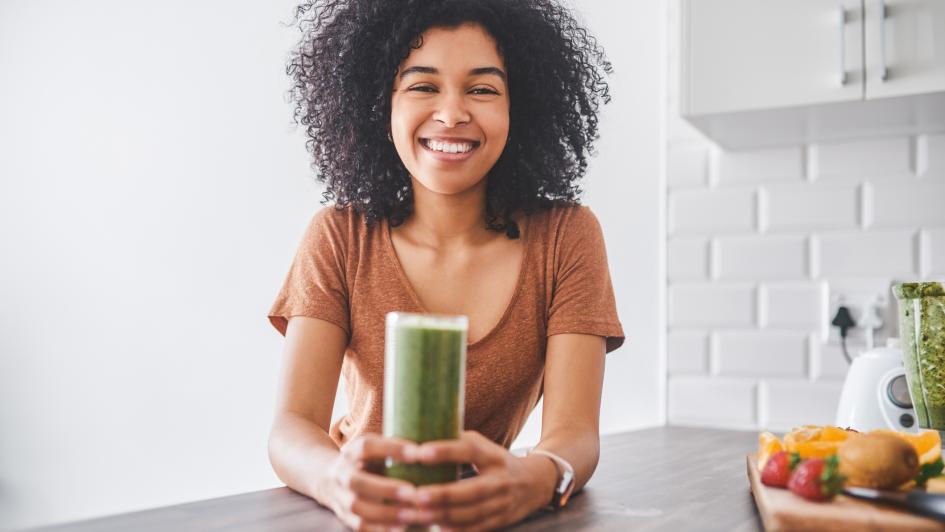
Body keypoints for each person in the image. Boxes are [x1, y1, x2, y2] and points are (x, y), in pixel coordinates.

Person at [267, 0, 623, 529]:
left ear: (518, 109)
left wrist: (540, 476)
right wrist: (334, 480)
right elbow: (292, 427)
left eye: (482, 89)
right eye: (423, 86)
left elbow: (575, 431)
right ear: (379, 106)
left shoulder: (566, 237)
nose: (452, 113)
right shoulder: (340, 236)